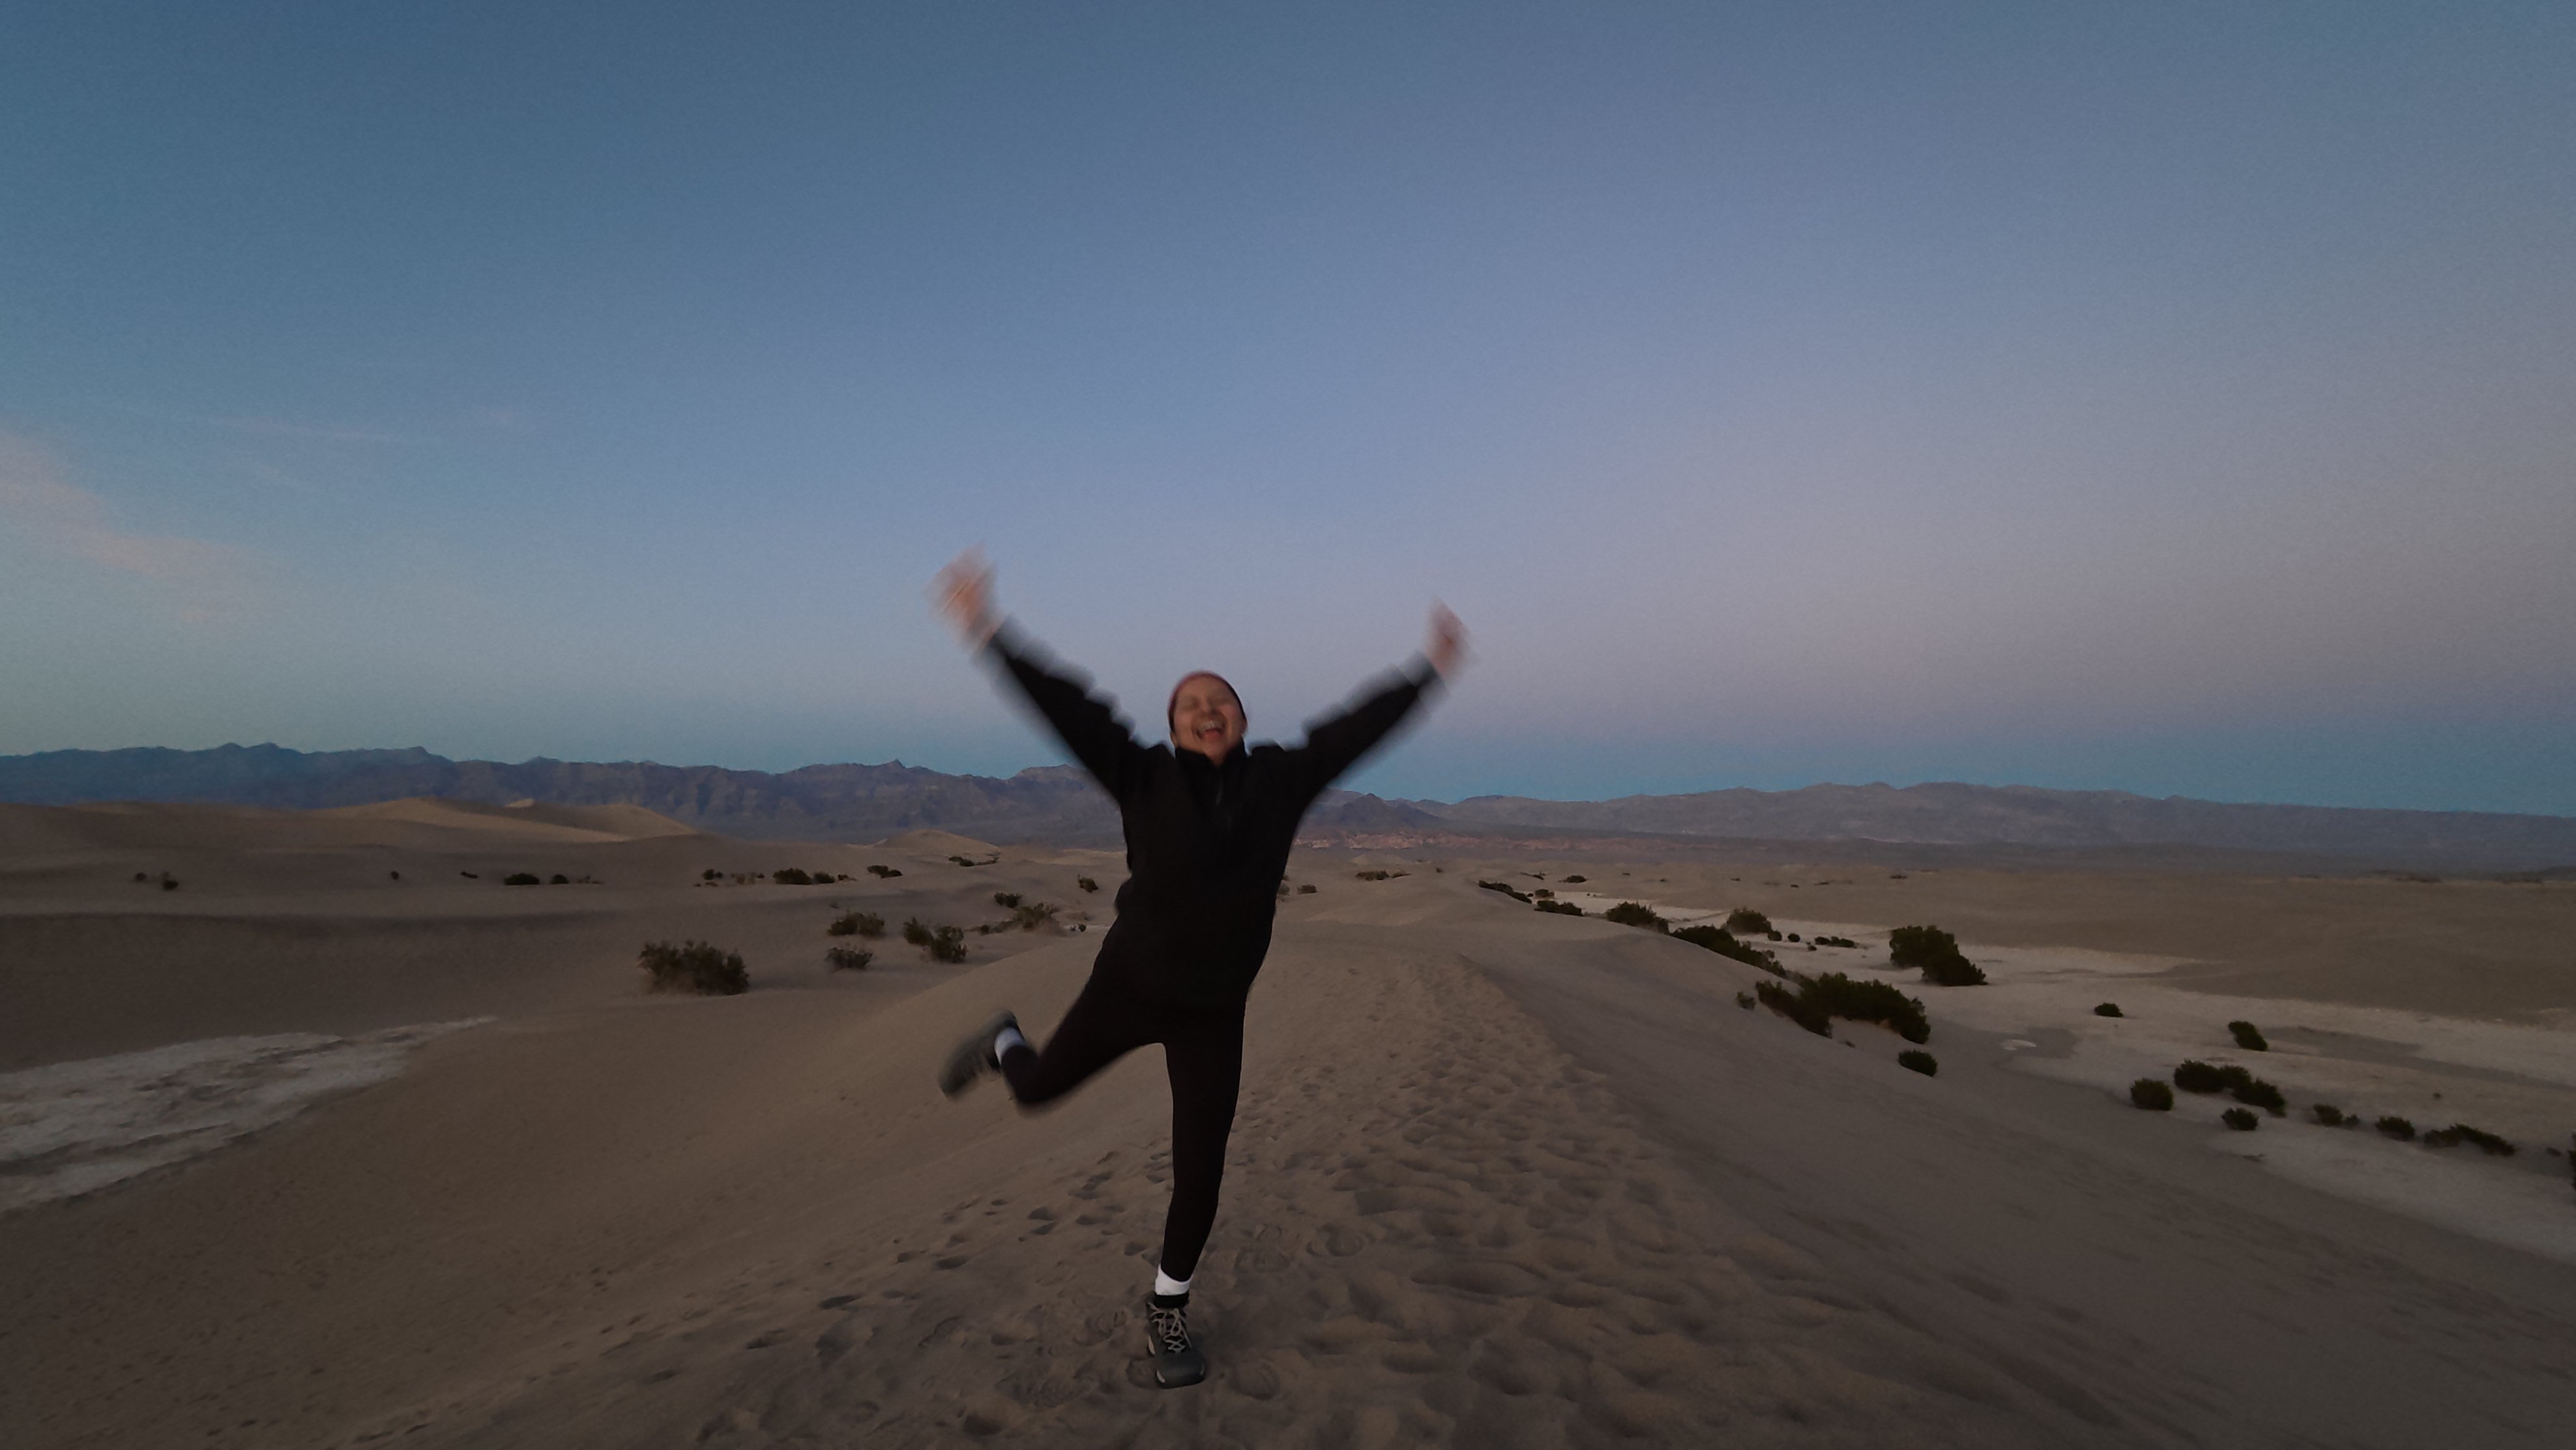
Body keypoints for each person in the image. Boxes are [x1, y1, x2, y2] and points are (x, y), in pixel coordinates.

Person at [928, 549, 1464, 1389]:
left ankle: (1167, 1307)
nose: (1206, 711)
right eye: (1189, 704)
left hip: (1213, 1012)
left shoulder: (1281, 779)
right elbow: (1067, 708)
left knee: (1202, 1173)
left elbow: (1353, 730)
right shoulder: (1140, 775)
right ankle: (1005, 1042)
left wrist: (1426, 671)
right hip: (1128, 989)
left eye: (1220, 701)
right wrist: (989, 631)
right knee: (1035, 1091)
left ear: (1242, 718)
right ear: (1173, 726)